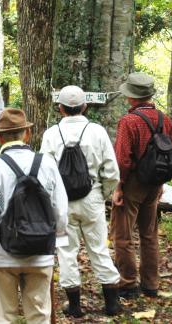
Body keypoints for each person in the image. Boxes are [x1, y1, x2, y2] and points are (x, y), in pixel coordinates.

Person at [0, 109, 68, 324]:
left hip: (4, 253)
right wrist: (56, 241)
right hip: (41, 252)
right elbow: (60, 211)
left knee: (5, 316)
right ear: (27, 134)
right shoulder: (48, 164)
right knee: (40, 314)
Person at [40, 86, 121, 316]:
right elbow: (112, 171)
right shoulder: (97, 131)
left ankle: (74, 306)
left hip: (63, 203)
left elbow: (45, 173)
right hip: (92, 199)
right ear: (85, 106)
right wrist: (101, 194)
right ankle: (112, 304)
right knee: (99, 249)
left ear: (61, 108)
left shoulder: (51, 134)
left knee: (66, 252)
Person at [110, 73, 172, 299]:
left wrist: (118, 187)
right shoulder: (164, 119)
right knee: (149, 234)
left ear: (131, 96)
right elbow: (170, 151)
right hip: (155, 184)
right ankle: (151, 283)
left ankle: (128, 283)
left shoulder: (129, 121)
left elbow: (123, 159)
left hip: (133, 183)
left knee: (123, 235)